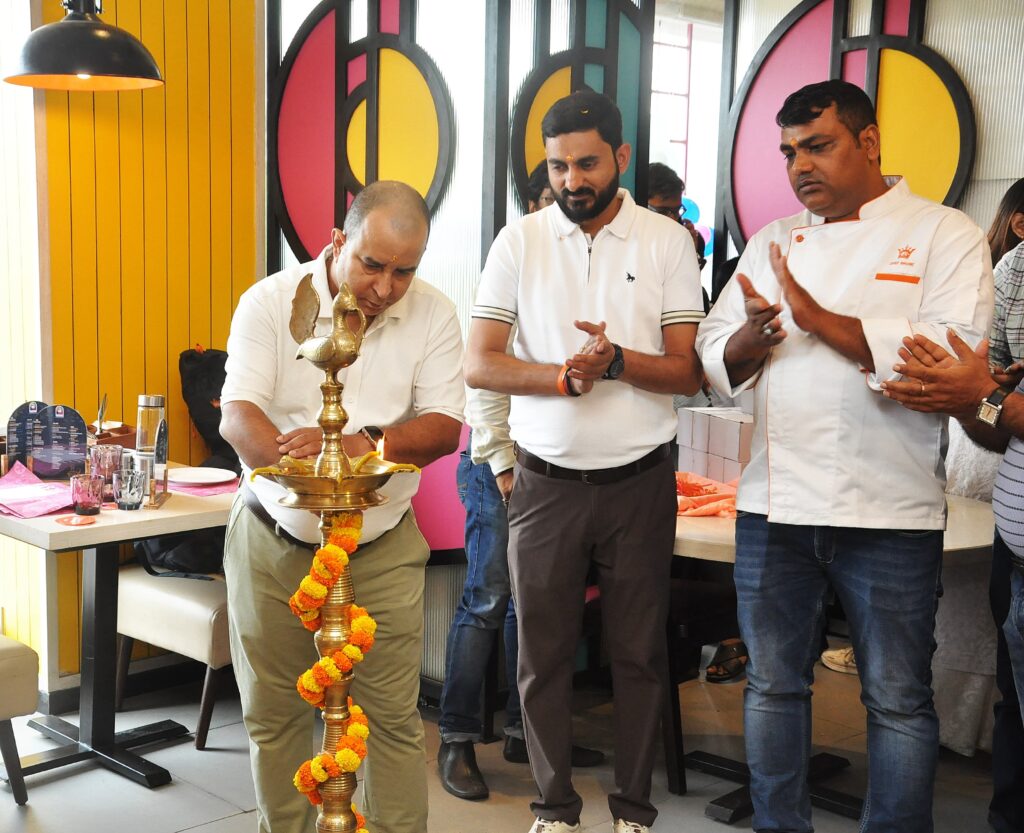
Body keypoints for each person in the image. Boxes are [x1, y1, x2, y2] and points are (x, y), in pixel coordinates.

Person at [696, 79, 993, 833]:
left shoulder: (943, 233)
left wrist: (816, 317)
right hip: (774, 506)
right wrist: (752, 336)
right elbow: (712, 352)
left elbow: (947, 361)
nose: (799, 166)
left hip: (891, 508)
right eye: (789, 152)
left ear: (869, 142)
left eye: (818, 146)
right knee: (772, 687)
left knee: (897, 698)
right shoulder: (772, 240)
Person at [467, 89, 705, 833]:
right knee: (541, 660)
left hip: (640, 484)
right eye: (559, 165)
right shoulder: (519, 242)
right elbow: (480, 363)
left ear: (621, 156)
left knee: (638, 657)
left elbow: (687, 370)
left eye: (589, 163)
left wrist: (618, 362)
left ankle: (633, 811)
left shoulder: (668, 241)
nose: (573, 180)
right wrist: (563, 379)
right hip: (544, 485)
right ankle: (554, 809)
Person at [219, 181, 465, 833]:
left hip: (380, 546)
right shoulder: (272, 301)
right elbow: (237, 413)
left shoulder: (435, 314)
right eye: (372, 264)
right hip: (272, 539)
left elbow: (444, 426)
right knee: (274, 716)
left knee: (391, 720)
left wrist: (365, 444)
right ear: (338, 241)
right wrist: (296, 473)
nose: (385, 287)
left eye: (404, 272)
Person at [437, 162, 604, 804]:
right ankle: (456, 737)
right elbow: (480, 379)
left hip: (552, 465)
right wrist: (504, 465)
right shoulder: (513, 257)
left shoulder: (581, 271)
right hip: (497, 463)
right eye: (551, 193)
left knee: (530, 609)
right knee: (485, 601)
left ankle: (522, 732)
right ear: (536, 200)